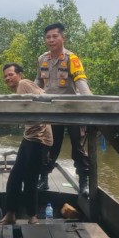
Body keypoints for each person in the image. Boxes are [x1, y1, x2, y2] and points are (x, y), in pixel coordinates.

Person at [34, 22, 93, 197]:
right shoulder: (42, 59)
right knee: (49, 146)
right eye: (48, 37)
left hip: (71, 110)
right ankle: (43, 179)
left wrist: (91, 102)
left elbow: (81, 82)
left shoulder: (71, 58)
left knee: (78, 147)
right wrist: (28, 94)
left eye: (55, 36)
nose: (51, 40)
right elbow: (38, 82)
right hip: (50, 110)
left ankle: (84, 182)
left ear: (63, 38)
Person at [0, 63, 53, 225]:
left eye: (11, 74)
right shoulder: (19, 90)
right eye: (5, 76)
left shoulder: (23, 84)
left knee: (29, 177)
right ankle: (11, 214)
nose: (8, 78)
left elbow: (45, 97)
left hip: (39, 138)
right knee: (16, 176)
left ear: (20, 74)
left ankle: (32, 217)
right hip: (29, 136)